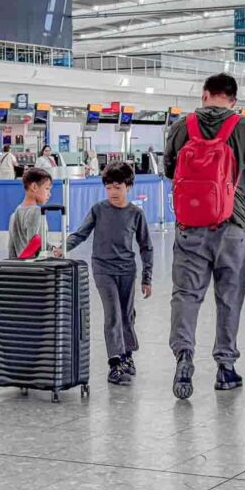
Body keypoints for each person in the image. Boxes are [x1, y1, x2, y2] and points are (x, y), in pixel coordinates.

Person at [164, 72, 245, 399]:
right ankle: (225, 368)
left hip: (190, 227)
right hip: (232, 228)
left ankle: (184, 354)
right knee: (229, 298)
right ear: (233, 100)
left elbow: (169, 171)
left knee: (186, 295)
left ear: (205, 94)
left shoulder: (182, 126)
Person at [62, 162, 154, 386]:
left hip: (126, 270)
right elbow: (81, 234)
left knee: (127, 314)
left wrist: (147, 277)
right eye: (109, 187)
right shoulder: (98, 210)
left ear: (128, 187)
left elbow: (145, 246)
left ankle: (127, 355)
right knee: (112, 314)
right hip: (103, 269)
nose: (113, 192)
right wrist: (62, 248)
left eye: (118, 187)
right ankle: (115, 363)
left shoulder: (136, 214)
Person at [8, 167, 54, 258]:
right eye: (47, 188)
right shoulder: (36, 211)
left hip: (20, 266)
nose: (49, 194)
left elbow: (11, 246)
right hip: (34, 266)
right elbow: (34, 243)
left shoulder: (15, 212)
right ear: (34, 187)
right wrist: (52, 251)